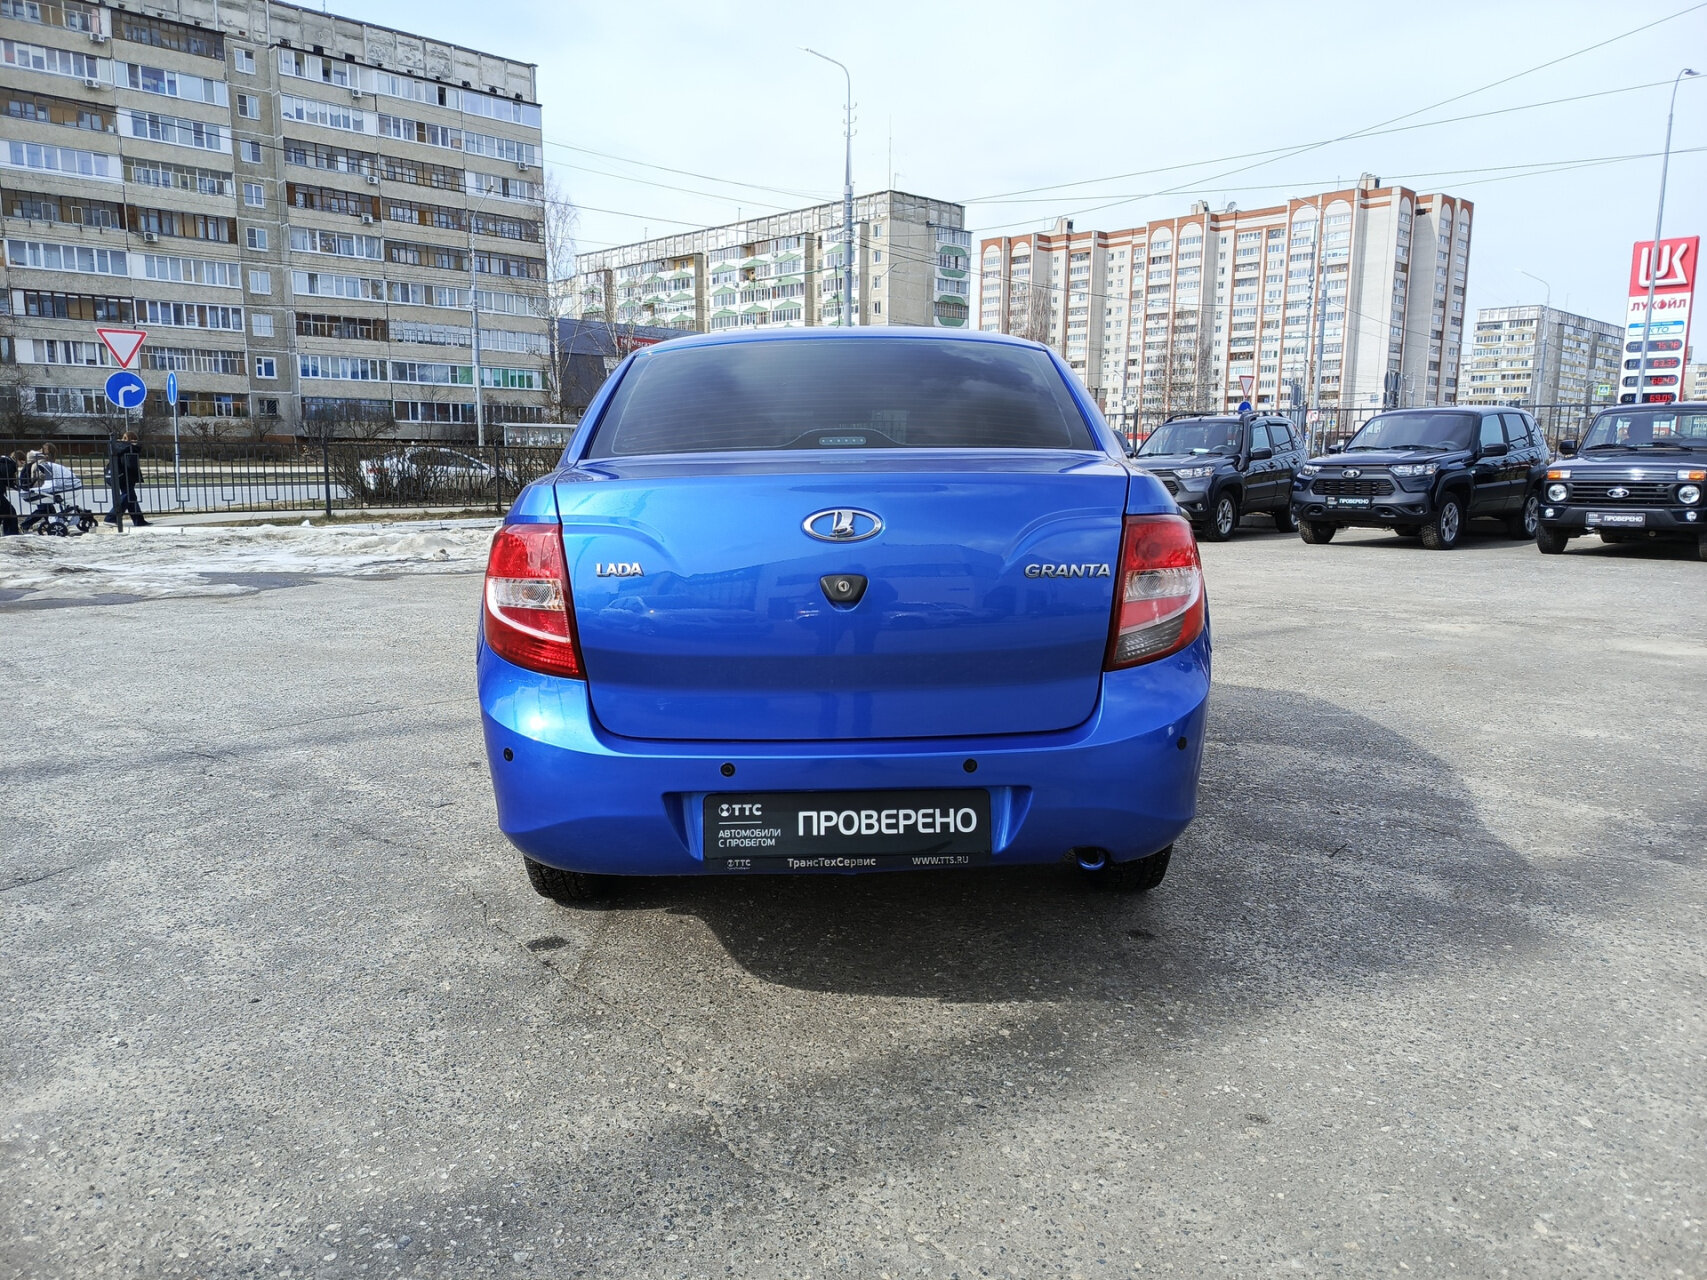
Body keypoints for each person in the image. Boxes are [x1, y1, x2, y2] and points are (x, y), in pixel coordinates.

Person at [104, 432, 149, 528]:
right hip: (127, 476)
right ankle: (110, 518)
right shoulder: (131, 448)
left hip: (118, 475)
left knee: (131, 497)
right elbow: (131, 465)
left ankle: (139, 520)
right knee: (127, 496)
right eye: (135, 439)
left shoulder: (117, 447)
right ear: (133, 439)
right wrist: (136, 475)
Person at [0, 449, 19, 535]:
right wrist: (16, 486)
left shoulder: (4, 462)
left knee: (6, 511)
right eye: (22, 462)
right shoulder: (10, 465)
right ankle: (11, 533)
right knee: (10, 512)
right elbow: (8, 479)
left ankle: (9, 533)